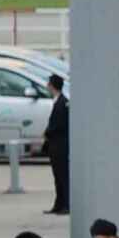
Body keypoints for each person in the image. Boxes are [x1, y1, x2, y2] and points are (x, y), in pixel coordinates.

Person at [41, 74, 70, 212]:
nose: (47, 86)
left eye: (48, 84)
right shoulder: (58, 101)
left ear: (52, 86)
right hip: (56, 144)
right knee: (57, 176)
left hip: (60, 145)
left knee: (62, 176)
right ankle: (59, 204)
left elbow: (58, 125)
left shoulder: (62, 103)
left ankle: (65, 204)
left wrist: (47, 133)